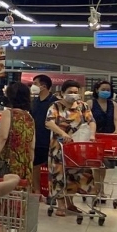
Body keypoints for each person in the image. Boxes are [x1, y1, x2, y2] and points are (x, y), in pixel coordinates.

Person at [45, 80, 97, 212]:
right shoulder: (55, 106)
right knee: (59, 175)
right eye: (70, 92)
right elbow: (49, 123)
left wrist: (92, 135)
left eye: (75, 92)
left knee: (76, 174)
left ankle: (70, 202)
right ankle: (60, 205)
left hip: (77, 148)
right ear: (62, 93)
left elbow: (91, 121)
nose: (73, 95)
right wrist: (63, 133)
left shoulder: (83, 106)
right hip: (59, 147)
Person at [0, 81, 34, 180]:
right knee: (21, 193)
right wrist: (29, 163)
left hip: (9, 163)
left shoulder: (8, 113)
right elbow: (32, 145)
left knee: (6, 193)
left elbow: (3, 137)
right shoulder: (29, 117)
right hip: (25, 164)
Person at [29, 75, 58, 192]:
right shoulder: (34, 101)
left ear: (43, 86)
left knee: (52, 167)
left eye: (35, 83)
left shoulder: (54, 102)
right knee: (35, 165)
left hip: (50, 139)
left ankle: (52, 191)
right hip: (37, 139)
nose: (33, 86)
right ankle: (37, 191)